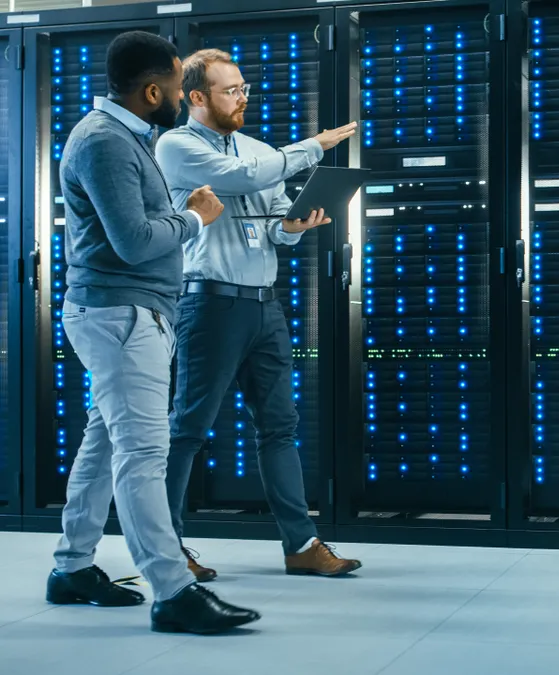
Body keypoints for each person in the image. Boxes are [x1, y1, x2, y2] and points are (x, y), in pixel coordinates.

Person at [47, 31, 260, 634]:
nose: (180, 96)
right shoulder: (106, 142)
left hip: (129, 314)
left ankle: (71, 567)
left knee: (105, 445)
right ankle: (174, 591)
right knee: (144, 453)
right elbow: (136, 243)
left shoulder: (125, 137)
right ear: (150, 90)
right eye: (173, 86)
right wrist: (194, 216)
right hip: (121, 315)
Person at [156, 48, 360, 580]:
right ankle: (167, 547)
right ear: (196, 97)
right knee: (189, 428)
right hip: (209, 303)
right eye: (231, 90)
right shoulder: (177, 146)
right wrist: (312, 147)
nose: (242, 97)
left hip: (264, 306)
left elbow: (269, 215)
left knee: (280, 427)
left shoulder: (256, 149)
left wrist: (290, 228)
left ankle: (302, 545)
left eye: (245, 88)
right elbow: (245, 178)